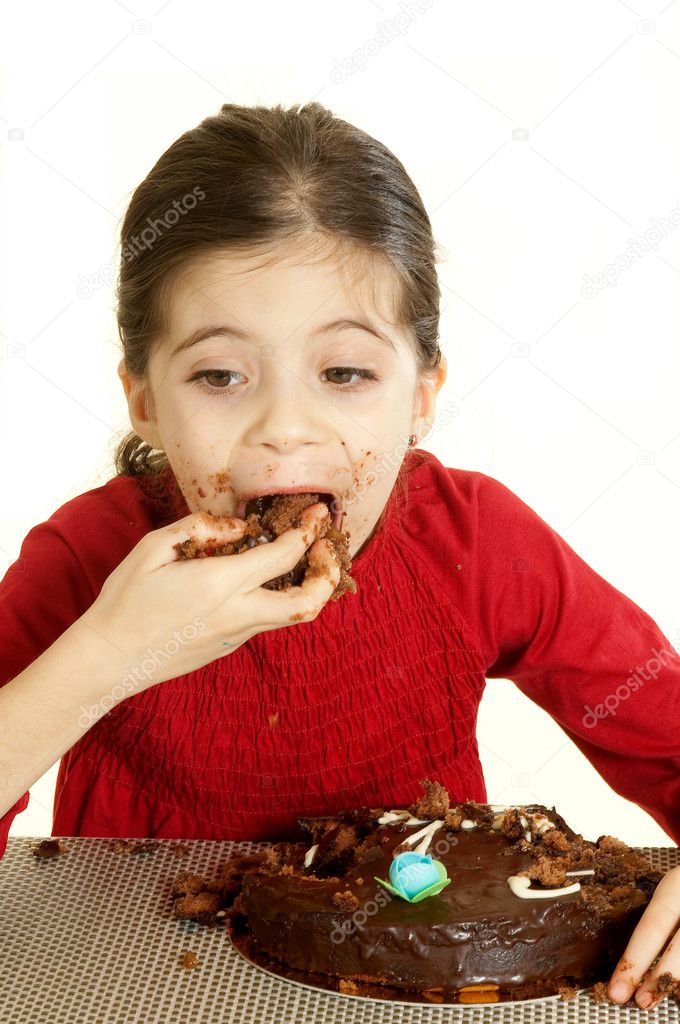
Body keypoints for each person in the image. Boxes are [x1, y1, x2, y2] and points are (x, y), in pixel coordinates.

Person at [1, 101, 678, 1009]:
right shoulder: (89, 562)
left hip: (412, 984)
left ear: (423, 393)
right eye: (218, 375)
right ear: (145, 401)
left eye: (346, 373)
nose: (284, 428)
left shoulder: (474, 542)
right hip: (132, 980)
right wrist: (110, 655)